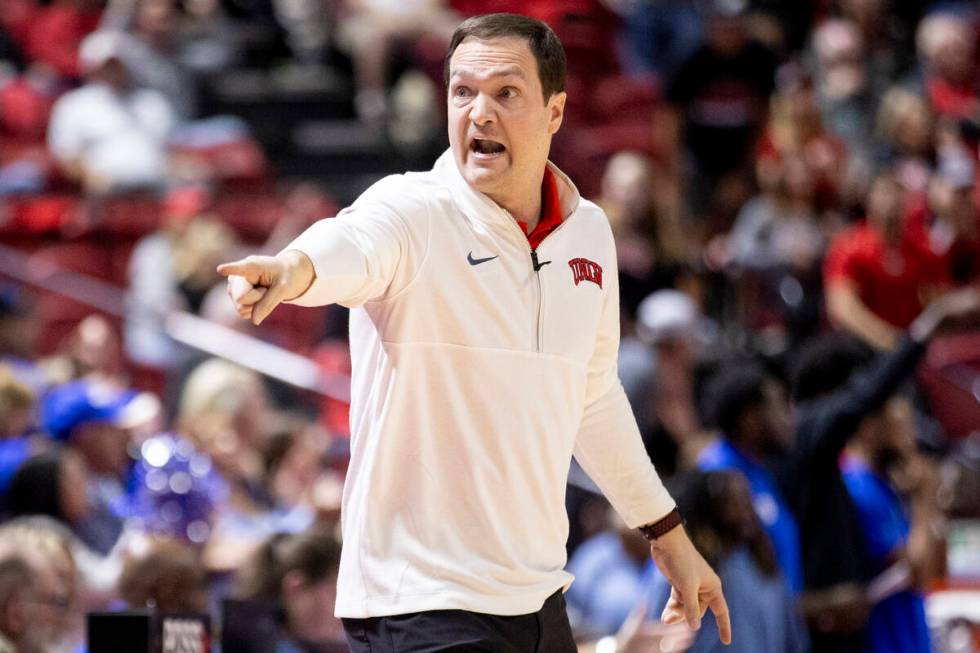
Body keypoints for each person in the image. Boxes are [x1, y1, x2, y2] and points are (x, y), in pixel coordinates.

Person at [218, 13, 730, 651]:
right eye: (463, 91)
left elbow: (592, 399)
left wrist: (668, 535)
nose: (479, 112)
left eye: (506, 93)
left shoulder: (590, 234)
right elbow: (348, 242)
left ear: (556, 112)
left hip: (538, 598)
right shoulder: (413, 211)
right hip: (420, 602)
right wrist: (292, 268)